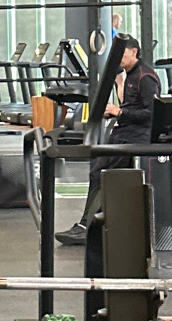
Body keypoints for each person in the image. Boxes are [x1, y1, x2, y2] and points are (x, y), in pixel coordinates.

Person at [56, 35, 160, 245]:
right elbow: (133, 107)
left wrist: (119, 112)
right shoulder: (130, 75)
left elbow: (152, 114)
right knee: (98, 170)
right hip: (125, 133)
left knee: (100, 172)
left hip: (136, 138)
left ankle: (86, 226)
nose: (119, 57)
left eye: (122, 53)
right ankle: (91, 225)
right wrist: (115, 112)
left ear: (134, 52)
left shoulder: (145, 77)